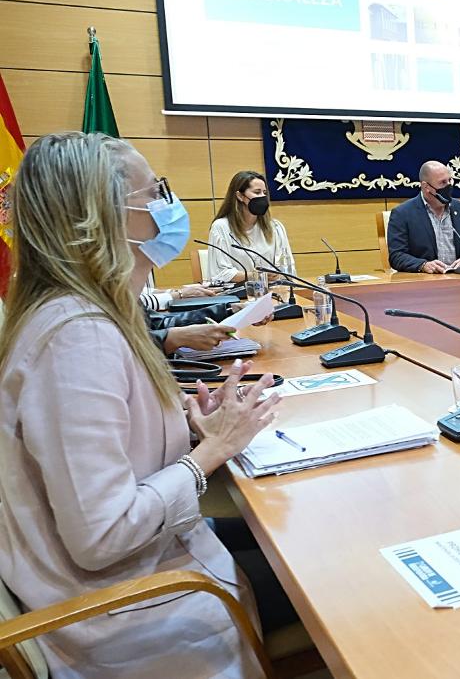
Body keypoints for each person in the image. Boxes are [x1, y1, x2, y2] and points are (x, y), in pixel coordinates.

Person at [0, 132, 282, 678]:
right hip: (126, 614)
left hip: (146, 569)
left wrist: (189, 418)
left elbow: (101, 438)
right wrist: (211, 453)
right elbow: (102, 535)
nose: (168, 206)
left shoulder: (88, 313)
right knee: (337, 576)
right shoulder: (76, 337)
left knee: (297, 538)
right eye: (157, 192)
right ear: (104, 215)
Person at [388, 160, 460, 273]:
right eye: (442, 183)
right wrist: (423, 265)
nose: (449, 186)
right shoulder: (402, 213)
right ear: (426, 186)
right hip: (424, 283)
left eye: (450, 180)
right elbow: (396, 256)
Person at [207, 170, 296, 283]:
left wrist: (277, 274)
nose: (262, 197)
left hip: (273, 292)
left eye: (264, 192)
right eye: (257, 192)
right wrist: (256, 275)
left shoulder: (275, 227)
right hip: (238, 296)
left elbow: (288, 268)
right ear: (240, 196)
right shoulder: (221, 227)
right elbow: (220, 274)